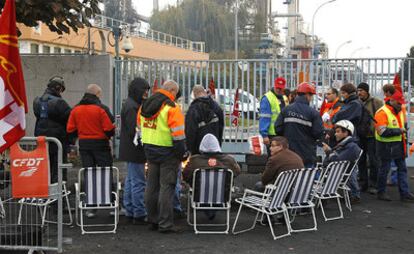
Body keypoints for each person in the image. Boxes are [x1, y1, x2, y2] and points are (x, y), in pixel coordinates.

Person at [138, 80, 188, 233]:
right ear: (172, 90)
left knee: (151, 187)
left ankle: (152, 219)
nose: (176, 96)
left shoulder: (144, 105)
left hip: (149, 150)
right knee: (167, 188)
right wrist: (182, 154)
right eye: (176, 93)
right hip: (168, 152)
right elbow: (178, 136)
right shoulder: (172, 108)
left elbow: (139, 126)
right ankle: (165, 223)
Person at [67, 84, 115, 218]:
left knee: (89, 173)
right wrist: (109, 135)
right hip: (101, 145)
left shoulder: (76, 109)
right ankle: (110, 204)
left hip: (84, 145)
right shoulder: (101, 109)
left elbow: (70, 129)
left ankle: (91, 207)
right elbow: (109, 128)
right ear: (98, 94)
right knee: (106, 172)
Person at [119, 77, 150, 224]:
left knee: (131, 181)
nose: (147, 93)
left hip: (129, 149)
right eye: (145, 90)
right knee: (138, 182)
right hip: (135, 149)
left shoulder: (129, 104)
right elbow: (135, 131)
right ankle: (139, 212)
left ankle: (130, 210)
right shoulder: (133, 107)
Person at [374, 91, 414, 202]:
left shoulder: (399, 111)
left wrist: (403, 128)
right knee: (384, 169)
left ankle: (404, 193)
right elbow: (381, 131)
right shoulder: (381, 112)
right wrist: (399, 130)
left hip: (398, 145)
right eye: (399, 103)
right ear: (391, 101)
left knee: (402, 169)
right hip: (385, 146)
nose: (401, 105)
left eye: (402, 103)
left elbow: (402, 124)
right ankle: (381, 192)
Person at [275, 82, 324, 168]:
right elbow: (318, 133)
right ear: (307, 95)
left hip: (288, 153)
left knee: (289, 178)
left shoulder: (286, 110)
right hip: (307, 154)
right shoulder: (313, 113)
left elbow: (278, 128)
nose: (311, 98)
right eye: (311, 96)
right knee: (306, 179)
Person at [33, 76, 71, 183]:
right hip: (58, 140)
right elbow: (69, 119)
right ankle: (59, 196)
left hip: (41, 139)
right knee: (58, 168)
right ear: (58, 88)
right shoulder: (60, 103)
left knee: (44, 167)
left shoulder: (37, 101)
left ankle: (45, 192)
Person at [322, 120, 361, 203]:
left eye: (338, 131)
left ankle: (323, 195)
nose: (335, 134)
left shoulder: (351, 146)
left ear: (346, 133)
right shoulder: (344, 144)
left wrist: (329, 152)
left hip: (338, 173)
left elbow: (338, 162)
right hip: (335, 172)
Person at [357, 82, 383, 193]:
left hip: (372, 136)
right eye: (358, 91)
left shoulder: (376, 102)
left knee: (373, 160)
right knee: (361, 160)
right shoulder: (356, 103)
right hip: (360, 136)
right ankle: (363, 184)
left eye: (361, 90)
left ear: (367, 91)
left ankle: (374, 184)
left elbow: (382, 116)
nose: (359, 93)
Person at [185, 85, 224, 155]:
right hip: (215, 149)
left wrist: (189, 149)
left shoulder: (193, 110)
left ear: (194, 94)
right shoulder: (216, 107)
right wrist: (218, 144)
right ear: (204, 92)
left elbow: (190, 132)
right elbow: (221, 127)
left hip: (198, 151)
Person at [259, 77, 288, 147]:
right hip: (271, 134)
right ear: (274, 86)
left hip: (282, 133)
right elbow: (264, 117)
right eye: (277, 88)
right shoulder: (267, 98)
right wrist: (264, 135)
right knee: (273, 156)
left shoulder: (284, 98)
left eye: (281, 88)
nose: (278, 90)